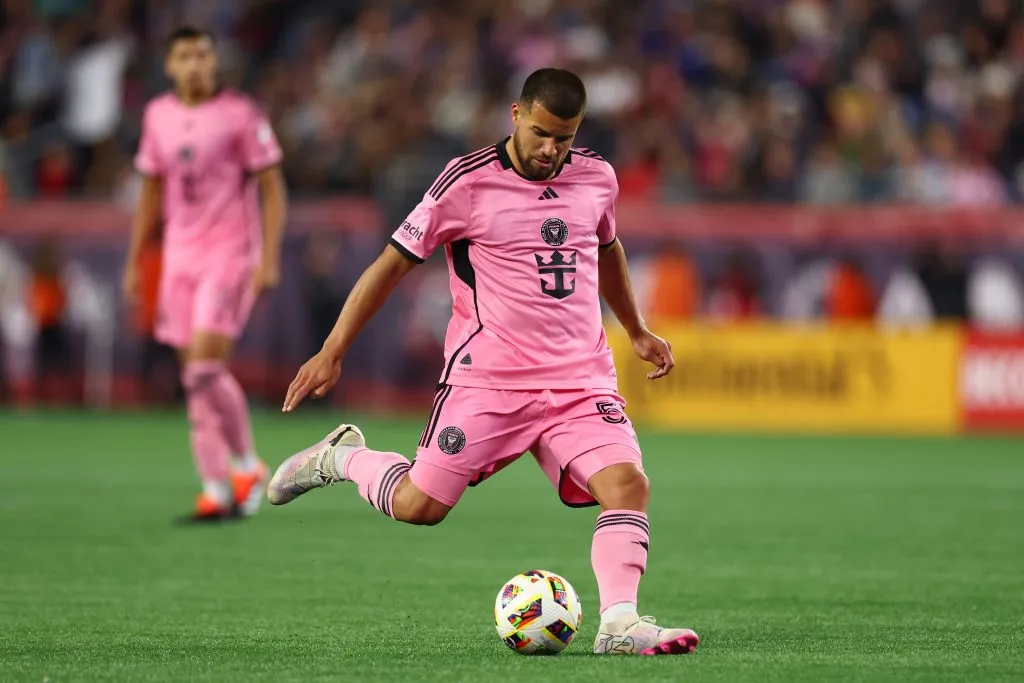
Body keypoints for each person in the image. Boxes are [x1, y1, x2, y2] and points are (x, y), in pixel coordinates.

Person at [268, 68, 699, 656]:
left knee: (627, 485)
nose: (552, 149)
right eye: (544, 132)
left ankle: (619, 623)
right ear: (516, 116)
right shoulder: (465, 184)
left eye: (566, 137)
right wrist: (332, 349)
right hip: (489, 381)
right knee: (419, 507)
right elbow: (390, 264)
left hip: (579, 378)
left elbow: (607, 247)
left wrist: (637, 329)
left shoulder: (597, 176)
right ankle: (343, 458)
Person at [123, 26, 288, 522]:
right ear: (170, 65)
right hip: (179, 258)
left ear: (213, 62)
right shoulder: (158, 115)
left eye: (201, 54)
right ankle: (216, 489)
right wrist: (135, 259)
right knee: (193, 382)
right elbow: (151, 190)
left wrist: (269, 256)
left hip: (228, 254)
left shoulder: (241, 114)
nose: (194, 64)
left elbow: (273, 188)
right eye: (183, 56)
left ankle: (245, 464)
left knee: (202, 369)